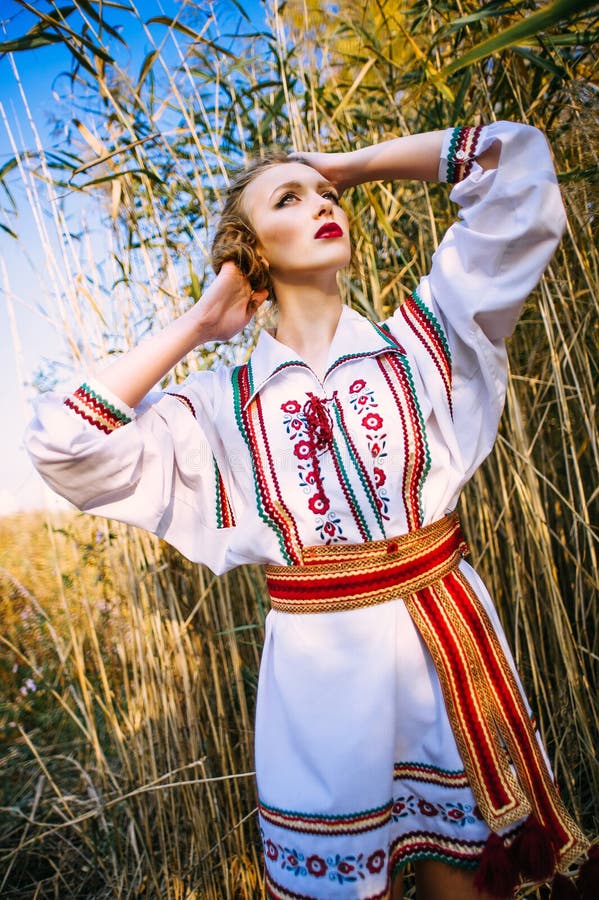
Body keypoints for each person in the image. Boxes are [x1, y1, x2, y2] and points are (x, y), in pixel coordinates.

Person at [26, 121, 592, 900]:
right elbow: (61, 445)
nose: (323, 204)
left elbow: (513, 166)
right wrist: (198, 324)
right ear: (247, 251)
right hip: (321, 687)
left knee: (470, 888)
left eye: (328, 196)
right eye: (288, 200)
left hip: (446, 655)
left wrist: (348, 165)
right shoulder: (219, 410)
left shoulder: (421, 343)